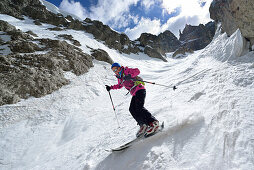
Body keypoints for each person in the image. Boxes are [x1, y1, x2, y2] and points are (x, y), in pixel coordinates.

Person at [105, 62, 159, 137]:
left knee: (139, 107)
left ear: (119, 67)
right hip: (134, 93)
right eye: (113, 70)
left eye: (116, 69)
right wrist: (110, 87)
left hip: (140, 89)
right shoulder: (119, 77)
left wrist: (130, 75)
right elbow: (119, 85)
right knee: (132, 109)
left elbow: (137, 71)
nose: (115, 71)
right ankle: (143, 124)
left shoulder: (126, 70)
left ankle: (154, 123)